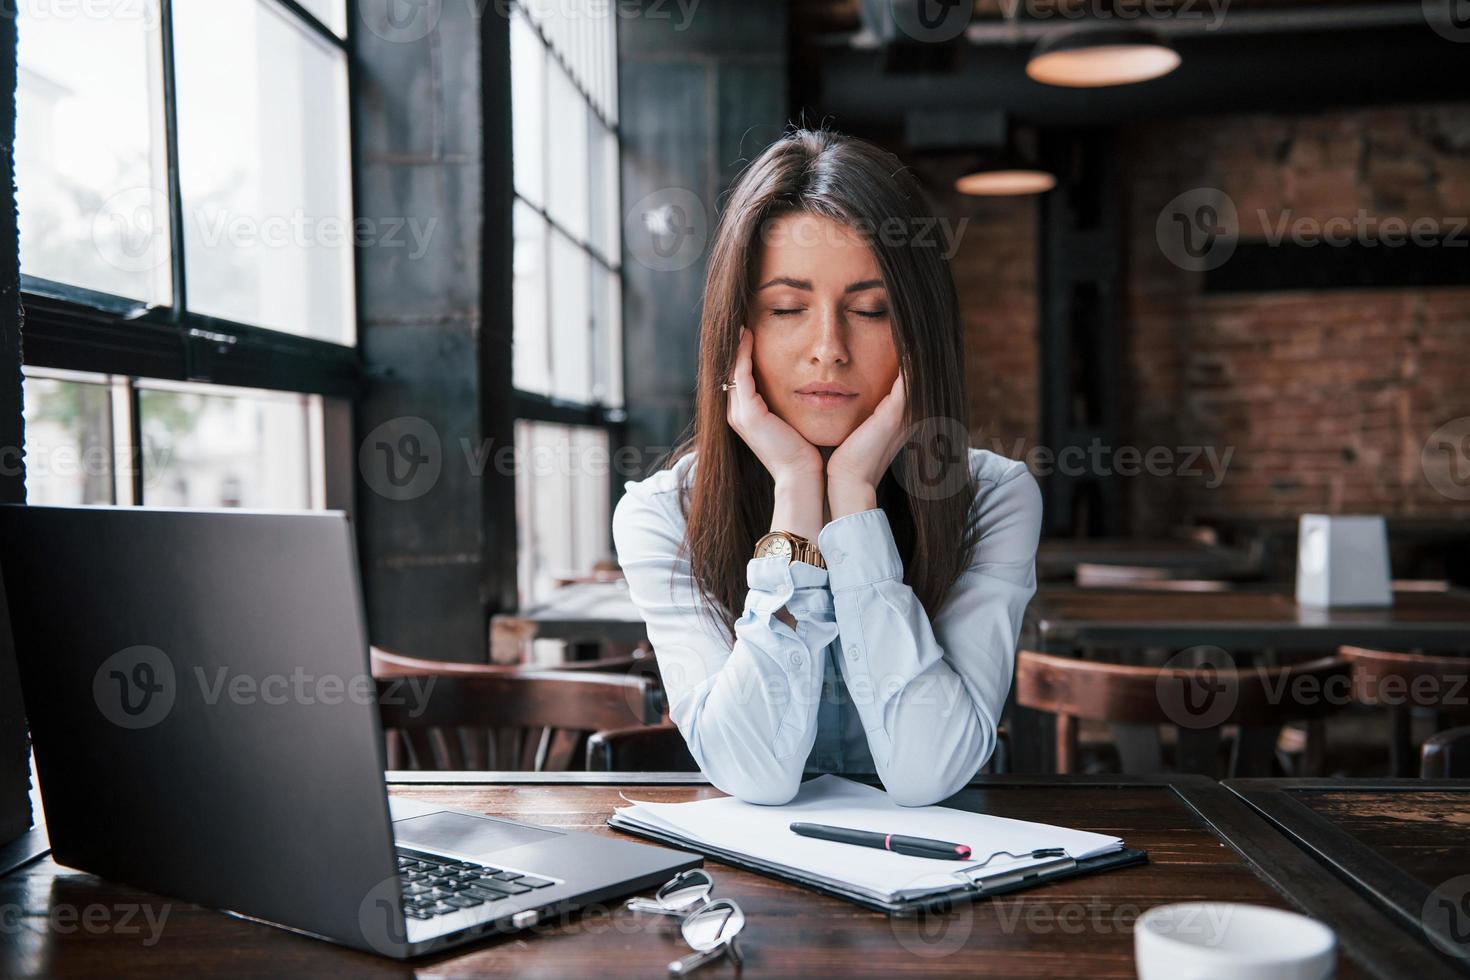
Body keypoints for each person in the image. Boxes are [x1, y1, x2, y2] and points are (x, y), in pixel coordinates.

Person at [611, 127, 1042, 807]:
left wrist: (854, 496)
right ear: (736, 327)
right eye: (787, 308)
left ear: (918, 330)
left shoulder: (992, 497)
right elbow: (755, 776)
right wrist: (796, 492)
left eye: (870, 310)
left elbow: (926, 773)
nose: (828, 350)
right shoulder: (662, 514)